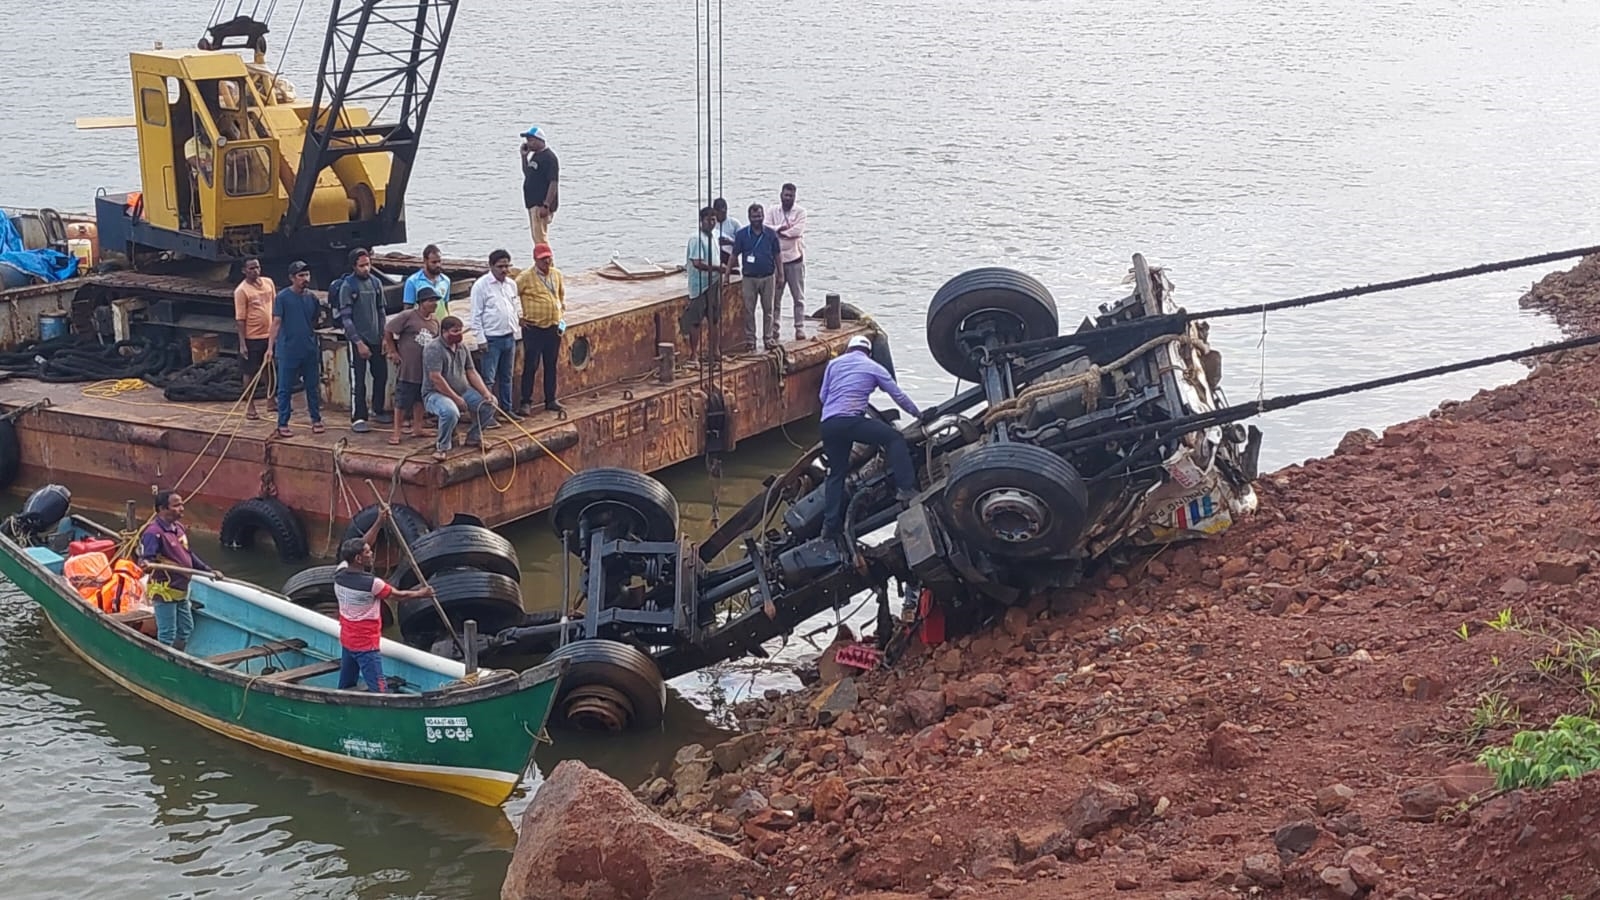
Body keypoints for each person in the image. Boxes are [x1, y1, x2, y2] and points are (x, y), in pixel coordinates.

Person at [818, 335, 922, 543]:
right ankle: (905, 489)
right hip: (851, 421)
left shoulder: (834, 364)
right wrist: (919, 414)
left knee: (836, 474)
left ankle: (830, 527)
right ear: (869, 353)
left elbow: (823, 396)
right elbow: (897, 395)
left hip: (828, 424)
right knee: (893, 438)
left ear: (849, 350)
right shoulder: (873, 367)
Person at [334, 508, 434, 693]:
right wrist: (422, 593)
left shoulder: (340, 571)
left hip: (348, 640)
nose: (371, 553)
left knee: (346, 684)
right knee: (380, 689)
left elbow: (364, 542)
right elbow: (399, 596)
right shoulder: (373, 584)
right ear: (358, 558)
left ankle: (341, 703)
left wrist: (380, 521)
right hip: (366, 645)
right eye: (367, 552)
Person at [137, 491, 220, 651]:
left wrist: (208, 570)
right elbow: (147, 560)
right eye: (176, 505)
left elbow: (188, 554)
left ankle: (177, 655)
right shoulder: (153, 533)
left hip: (181, 590)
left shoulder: (179, 529)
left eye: (182, 504)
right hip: (164, 591)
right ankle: (164, 663)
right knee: (167, 634)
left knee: (186, 629)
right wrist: (146, 563)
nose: (182, 508)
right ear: (162, 509)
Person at [423, 316, 497, 461]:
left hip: (463, 391)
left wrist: (485, 392)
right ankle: (442, 446)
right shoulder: (433, 349)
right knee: (450, 411)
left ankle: (474, 437)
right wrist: (455, 398)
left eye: (460, 331)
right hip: (435, 394)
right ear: (444, 331)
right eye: (455, 331)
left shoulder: (462, 347)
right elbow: (436, 378)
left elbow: (471, 371)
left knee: (490, 404)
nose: (459, 334)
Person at [335, 247, 391, 432]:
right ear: (354, 266)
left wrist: (384, 336)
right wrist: (358, 342)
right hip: (358, 340)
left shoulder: (376, 283)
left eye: (368, 264)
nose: (366, 269)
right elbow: (346, 318)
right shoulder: (348, 286)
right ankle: (358, 416)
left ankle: (378, 408)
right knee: (358, 380)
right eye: (362, 266)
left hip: (376, 337)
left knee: (381, 374)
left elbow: (381, 310)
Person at [269, 260, 325, 437]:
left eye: (307, 275)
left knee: (312, 386)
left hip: (308, 348)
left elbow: (316, 320)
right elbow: (276, 323)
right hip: (288, 349)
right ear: (292, 278)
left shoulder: (312, 298)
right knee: (284, 388)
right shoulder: (282, 298)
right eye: (301, 276)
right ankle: (283, 422)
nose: (305, 279)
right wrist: (270, 347)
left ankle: (316, 419)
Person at [383, 285, 442, 446]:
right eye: (431, 301)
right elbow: (388, 330)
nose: (434, 304)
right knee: (402, 400)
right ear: (421, 302)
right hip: (408, 367)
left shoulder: (436, 320)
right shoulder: (407, 316)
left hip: (425, 368)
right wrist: (393, 351)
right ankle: (396, 432)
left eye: (435, 301)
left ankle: (418, 427)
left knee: (420, 399)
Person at [514, 242, 567, 416]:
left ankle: (550, 399)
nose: (547, 261)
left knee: (551, 364)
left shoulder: (556, 274)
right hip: (534, 328)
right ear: (535, 259)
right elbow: (511, 296)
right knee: (531, 365)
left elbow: (560, 295)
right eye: (543, 259)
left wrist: (560, 313)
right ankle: (526, 402)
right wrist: (518, 318)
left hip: (553, 327)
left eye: (549, 257)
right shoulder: (525, 277)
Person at [467, 249, 521, 415]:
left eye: (506, 266)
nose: (504, 270)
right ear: (491, 266)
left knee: (506, 377)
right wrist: (480, 339)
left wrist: (517, 326)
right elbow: (476, 315)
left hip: (509, 336)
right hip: (491, 339)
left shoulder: (511, 284)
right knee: (488, 380)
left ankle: (507, 409)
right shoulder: (481, 286)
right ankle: (487, 415)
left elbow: (514, 306)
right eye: (500, 266)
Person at [730, 203, 783, 350]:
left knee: (768, 309)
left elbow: (777, 255)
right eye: (754, 216)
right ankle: (750, 339)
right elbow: (734, 255)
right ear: (749, 217)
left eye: (759, 216)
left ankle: (768, 338)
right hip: (749, 278)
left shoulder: (771, 234)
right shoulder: (742, 234)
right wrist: (727, 273)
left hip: (768, 276)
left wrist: (781, 275)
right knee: (749, 310)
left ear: (763, 216)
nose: (757, 219)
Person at [679, 206, 725, 363]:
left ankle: (715, 351)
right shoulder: (696, 239)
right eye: (708, 220)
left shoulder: (714, 235)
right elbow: (697, 263)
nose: (711, 223)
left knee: (714, 319)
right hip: (700, 285)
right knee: (696, 320)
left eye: (714, 220)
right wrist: (718, 268)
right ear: (701, 221)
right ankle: (694, 354)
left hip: (714, 283)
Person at [233, 257, 275, 420]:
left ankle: (271, 400)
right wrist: (243, 343)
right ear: (244, 271)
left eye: (257, 267)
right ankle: (250, 406)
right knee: (249, 372)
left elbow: (275, 306)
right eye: (251, 268)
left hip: (268, 335)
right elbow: (240, 319)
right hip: (252, 337)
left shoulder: (268, 283)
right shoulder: (241, 291)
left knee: (269, 369)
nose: (255, 271)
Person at [769, 182, 809, 340]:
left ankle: (799, 327)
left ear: (795, 197)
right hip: (776, 261)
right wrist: (780, 229)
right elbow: (766, 228)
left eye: (791, 196)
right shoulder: (772, 210)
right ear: (781, 195)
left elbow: (797, 231)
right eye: (786, 195)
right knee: (775, 297)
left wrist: (780, 232)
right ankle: (774, 329)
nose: (788, 198)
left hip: (795, 259)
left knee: (798, 296)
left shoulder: (801, 212)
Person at [520, 126, 560, 248]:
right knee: (536, 236)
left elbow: (553, 183)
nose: (528, 143)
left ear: (540, 140)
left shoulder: (549, 158)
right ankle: (541, 261)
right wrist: (524, 157)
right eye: (527, 140)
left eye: (531, 140)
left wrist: (546, 204)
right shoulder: (535, 156)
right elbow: (528, 174)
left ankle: (546, 263)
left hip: (541, 204)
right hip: (532, 203)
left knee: (540, 238)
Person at [403, 244, 451, 311]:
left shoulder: (446, 280)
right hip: (421, 320)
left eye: (439, 261)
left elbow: (445, 305)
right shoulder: (412, 281)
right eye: (434, 262)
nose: (438, 265)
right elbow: (407, 309)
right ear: (425, 261)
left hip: (439, 320)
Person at [712, 197, 741, 272]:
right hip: (715, 256)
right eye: (720, 212)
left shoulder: (734, 223)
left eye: (725, 211)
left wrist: (730, 242)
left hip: (731, 257)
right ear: (715, 211)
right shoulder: (711, 224)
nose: (723, 214)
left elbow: (743, 244)